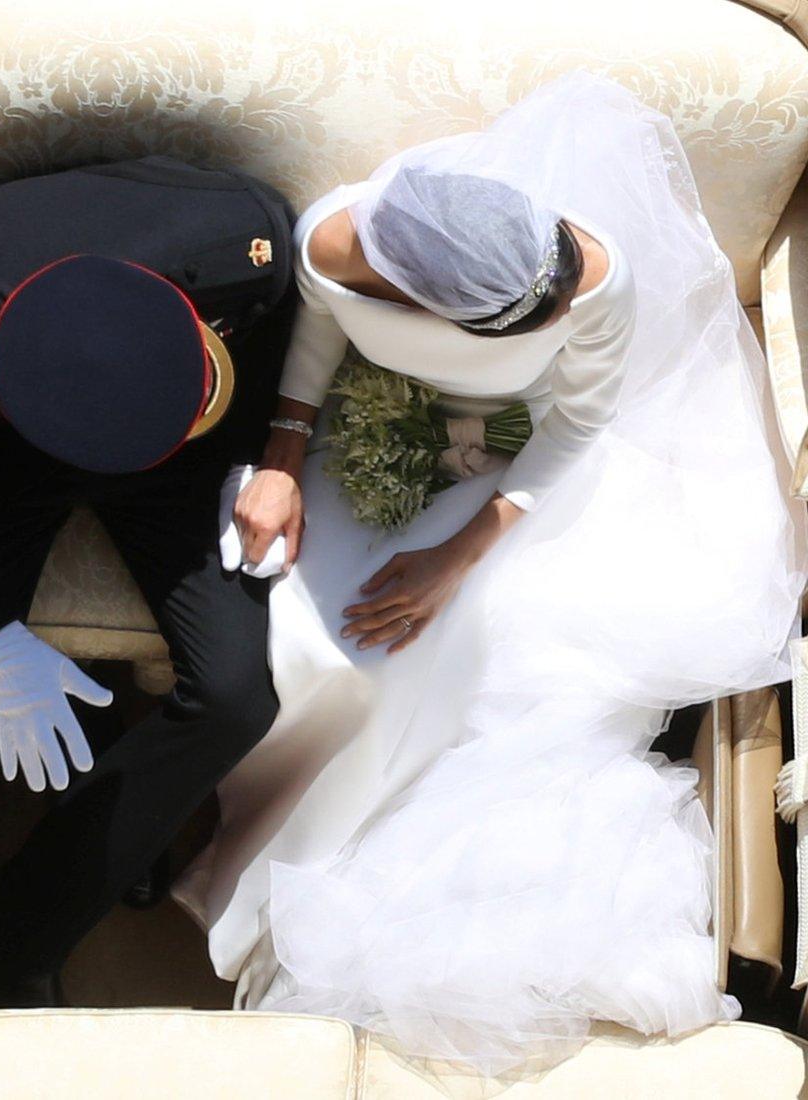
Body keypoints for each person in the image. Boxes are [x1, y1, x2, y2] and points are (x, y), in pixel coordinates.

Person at [176, 72, 808, 1076]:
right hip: (383, 420)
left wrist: (450, 559)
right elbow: (318, 335)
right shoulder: (340, 241)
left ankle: (328, 860)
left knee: (465, 644)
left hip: (540, 465)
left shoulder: (589, 272)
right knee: (311, 635)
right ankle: (240, 830)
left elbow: (581, 417)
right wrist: (285, 462)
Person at [0, 152, 296, 1005]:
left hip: (189, 440)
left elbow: (282, 339)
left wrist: (271, 455)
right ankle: (104, 836)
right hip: (13, 455)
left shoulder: (244, 243)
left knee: (239, 695)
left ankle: (20, 932)